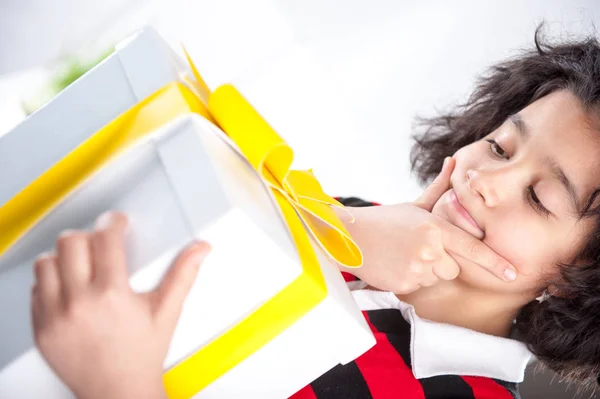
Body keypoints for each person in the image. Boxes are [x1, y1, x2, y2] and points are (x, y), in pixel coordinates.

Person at [30, 27, 600, 398]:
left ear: (578, 285)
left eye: (539, 198)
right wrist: (344, 227)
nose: (485, 180)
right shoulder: (360, 220)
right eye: (500, 146)